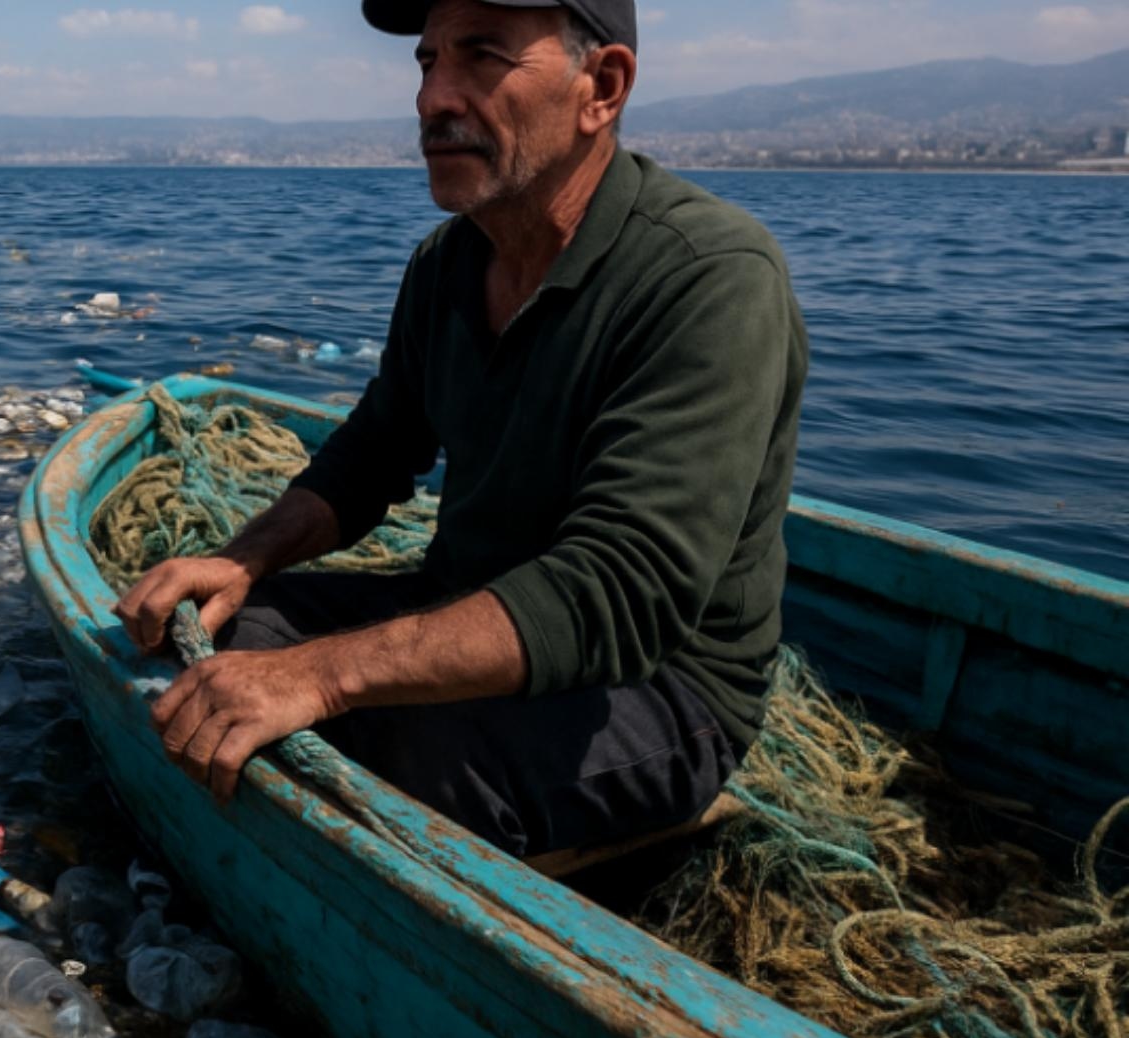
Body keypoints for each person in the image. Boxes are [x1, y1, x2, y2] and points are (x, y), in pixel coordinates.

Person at [114, 0, 810, 859]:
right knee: (226, 638)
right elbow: (375, 452)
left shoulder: (709, 278)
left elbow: (624, 590)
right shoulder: (447, 263)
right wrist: (242, 559)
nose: (433, 96)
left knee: (379, 748)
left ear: (603, 87)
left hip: (657, 689)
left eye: (482, 57)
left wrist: (323, 678)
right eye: (427, 60)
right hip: (465, 605)